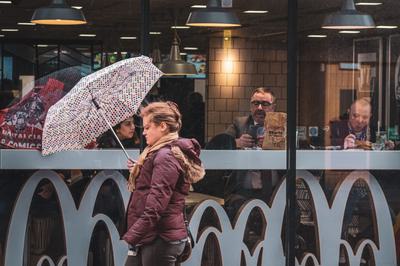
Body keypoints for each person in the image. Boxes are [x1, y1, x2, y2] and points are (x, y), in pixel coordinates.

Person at [122, 101, 204, 266]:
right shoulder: (156, 153)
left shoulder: (165, 156)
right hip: (153, 235)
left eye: (147, 127)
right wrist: (140, 169)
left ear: (162, 126)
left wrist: (133, 235)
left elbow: (156, 205)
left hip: (159, 237)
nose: (143, 133)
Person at [223, 87, 277, 221]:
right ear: (250, 106)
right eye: (255, 103)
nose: (259, 107)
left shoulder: (281, 125)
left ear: (273, 107)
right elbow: (219, 144)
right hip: (242, 190)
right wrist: (236, 142)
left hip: (274, 191)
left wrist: (279, 143)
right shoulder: (239, 124)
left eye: (265, 104)